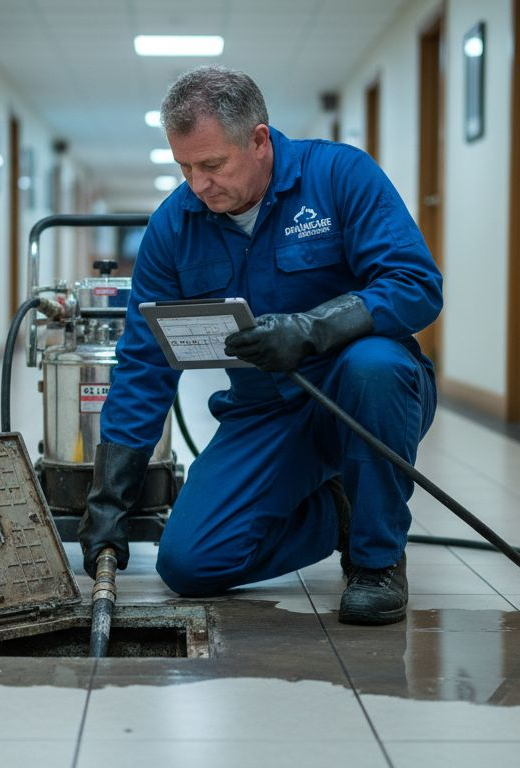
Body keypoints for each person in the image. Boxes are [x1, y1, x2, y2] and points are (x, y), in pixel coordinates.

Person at [79, 65, 441, 625]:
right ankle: (340, 510)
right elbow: (144, 362)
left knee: (374, 365)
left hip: (364, 395)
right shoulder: (174, 227)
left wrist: (312, 329)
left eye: (212, 165)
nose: (197, 184)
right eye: (184, 167)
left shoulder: (340, 176)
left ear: (259, 140)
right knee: (188, 563)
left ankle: (376, 559)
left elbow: (416, 285)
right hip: (265, 411)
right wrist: (109, 499)